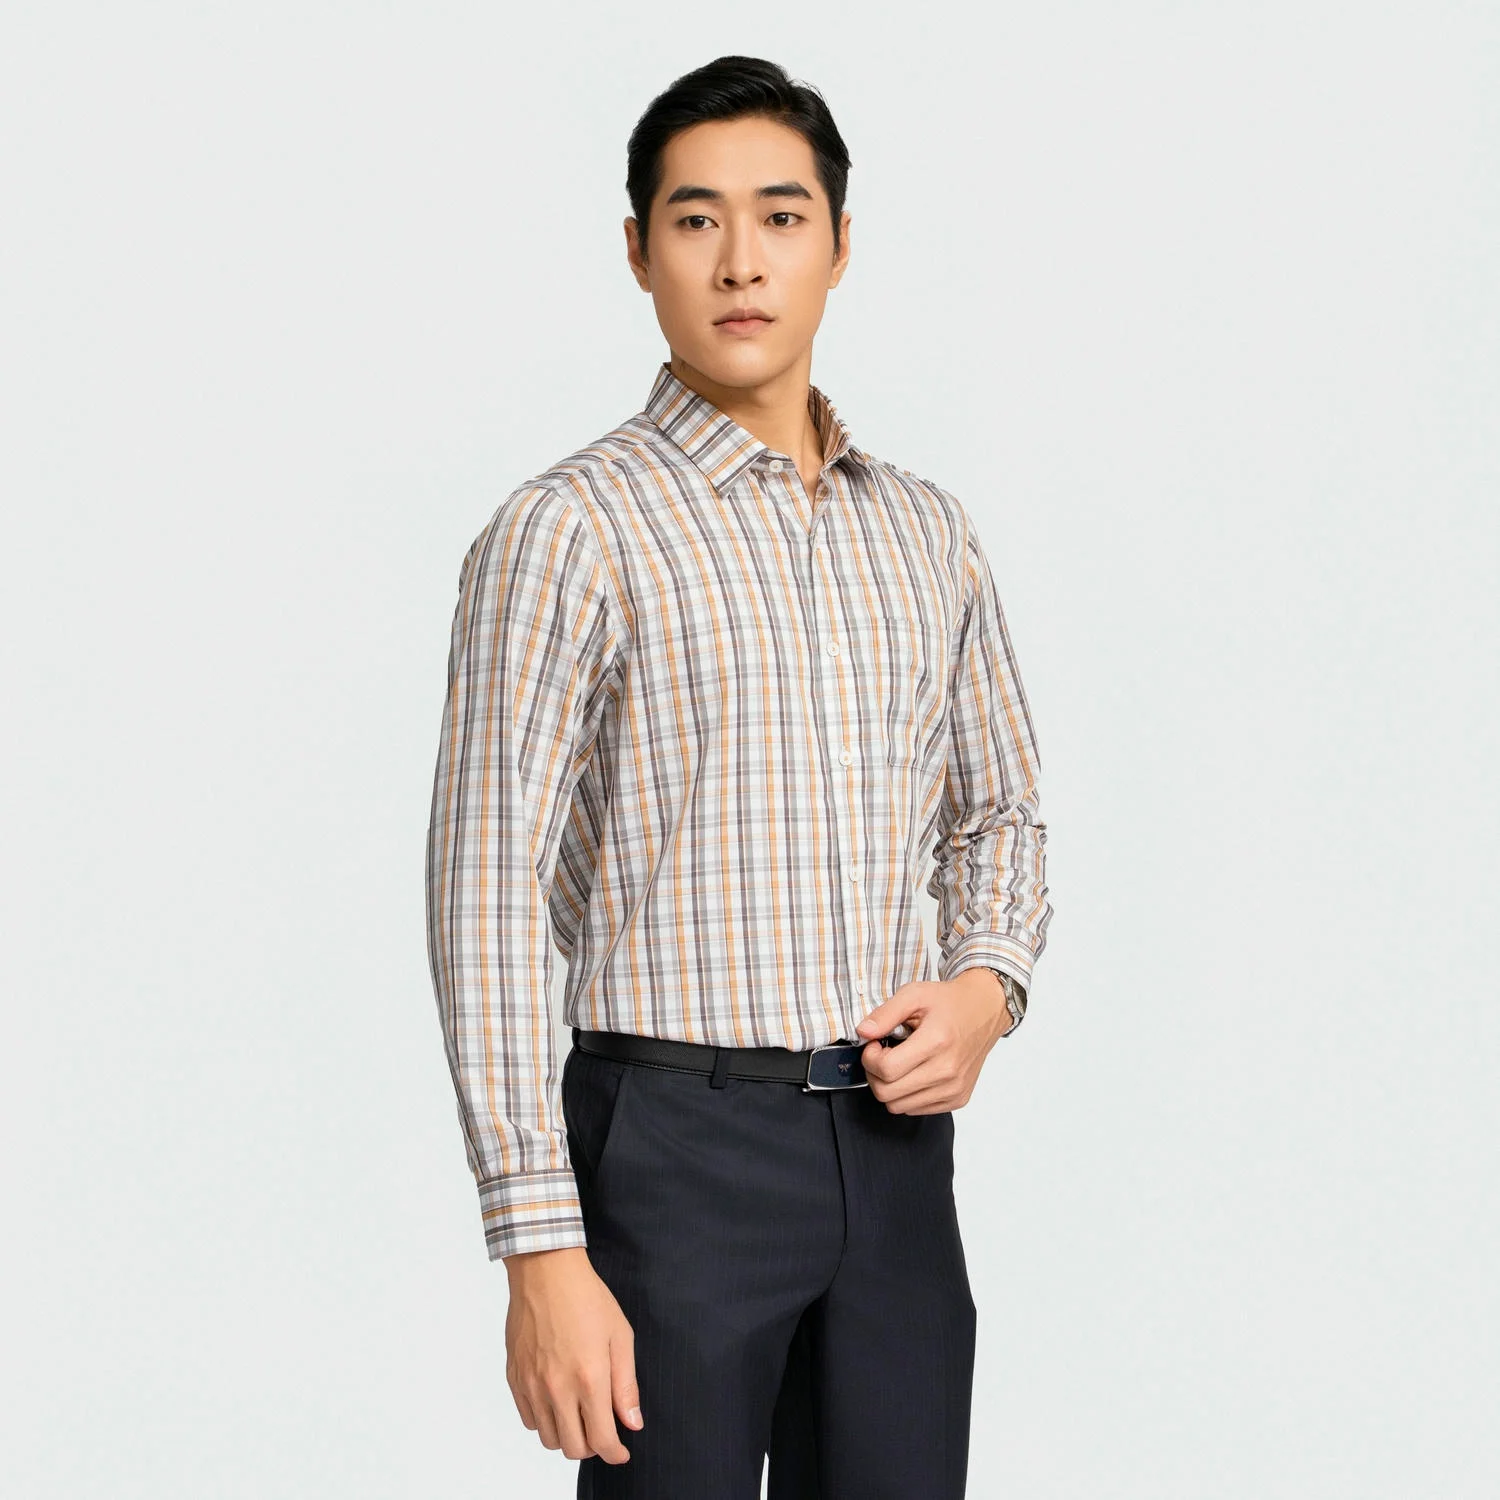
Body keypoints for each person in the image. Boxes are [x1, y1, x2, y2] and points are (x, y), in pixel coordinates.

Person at [424, 53, 1053, 1499]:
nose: (741, 261)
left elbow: (1000, 810)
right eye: (696, 219)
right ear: (638, 249)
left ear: (839, 243)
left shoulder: (926, 532)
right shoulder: (569, 529)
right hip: (670, 1151)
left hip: (892, 1156)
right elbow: (486, 896)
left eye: (780, 216)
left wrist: (987, 987)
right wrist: (539, 1246)